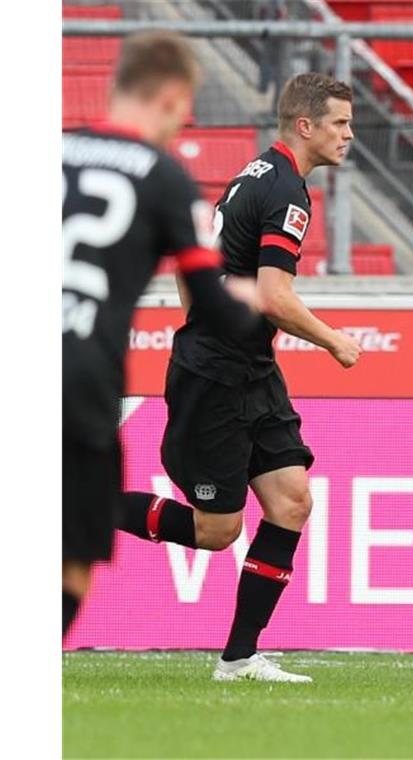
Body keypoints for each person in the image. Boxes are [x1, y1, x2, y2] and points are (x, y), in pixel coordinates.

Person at [114, 73, 362, 683]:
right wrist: (334, 341)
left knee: (292, 501)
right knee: (217, 531)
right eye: (340, 123)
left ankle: (239, 659)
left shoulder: (254, 175)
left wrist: (208, 320)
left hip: (248, 368)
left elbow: (191, 263)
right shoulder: (287, 195)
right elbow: (276, 297)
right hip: (216, 377)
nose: (348, 135)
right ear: (305, 126)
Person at [63, 32, 260, 638]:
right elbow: (217, 310)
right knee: (68, 570)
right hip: (80, 380)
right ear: (172, 98)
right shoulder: (164, 176)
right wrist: (247, 302)